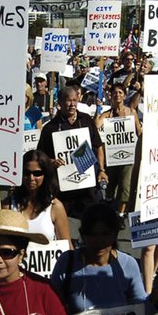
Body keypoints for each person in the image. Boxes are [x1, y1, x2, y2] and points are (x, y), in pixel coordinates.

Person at [37, 86, 108, 217]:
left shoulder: (86, 120)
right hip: (63, 186)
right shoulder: (50, 128)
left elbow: (98, 146)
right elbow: (40, 156)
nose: (72, 104)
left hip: (87, 184)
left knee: (91, 219)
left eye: (75, 100)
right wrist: (51, 162)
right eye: (68, 100)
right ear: (60, 103)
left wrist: (102, 170)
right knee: (63, 221)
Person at [9, 150, 72, 246]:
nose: (31, 178)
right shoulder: (9, 204)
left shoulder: (55, 206)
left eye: (37, 173)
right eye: (26, 173)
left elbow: (67, 246)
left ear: (45, 175)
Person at [96, 82, 142, 215]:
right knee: (111, 184)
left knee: (125, 185)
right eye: (115, 93)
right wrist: (97, 110)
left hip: (128, 154)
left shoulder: (131, 112)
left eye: (120, 92)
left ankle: (121, 214)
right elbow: (97, 125)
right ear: (110, 96)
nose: (117, 95)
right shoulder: (107, 114)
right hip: (112, 155)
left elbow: (139, 132)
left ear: (125, 95)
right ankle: (110, 207)